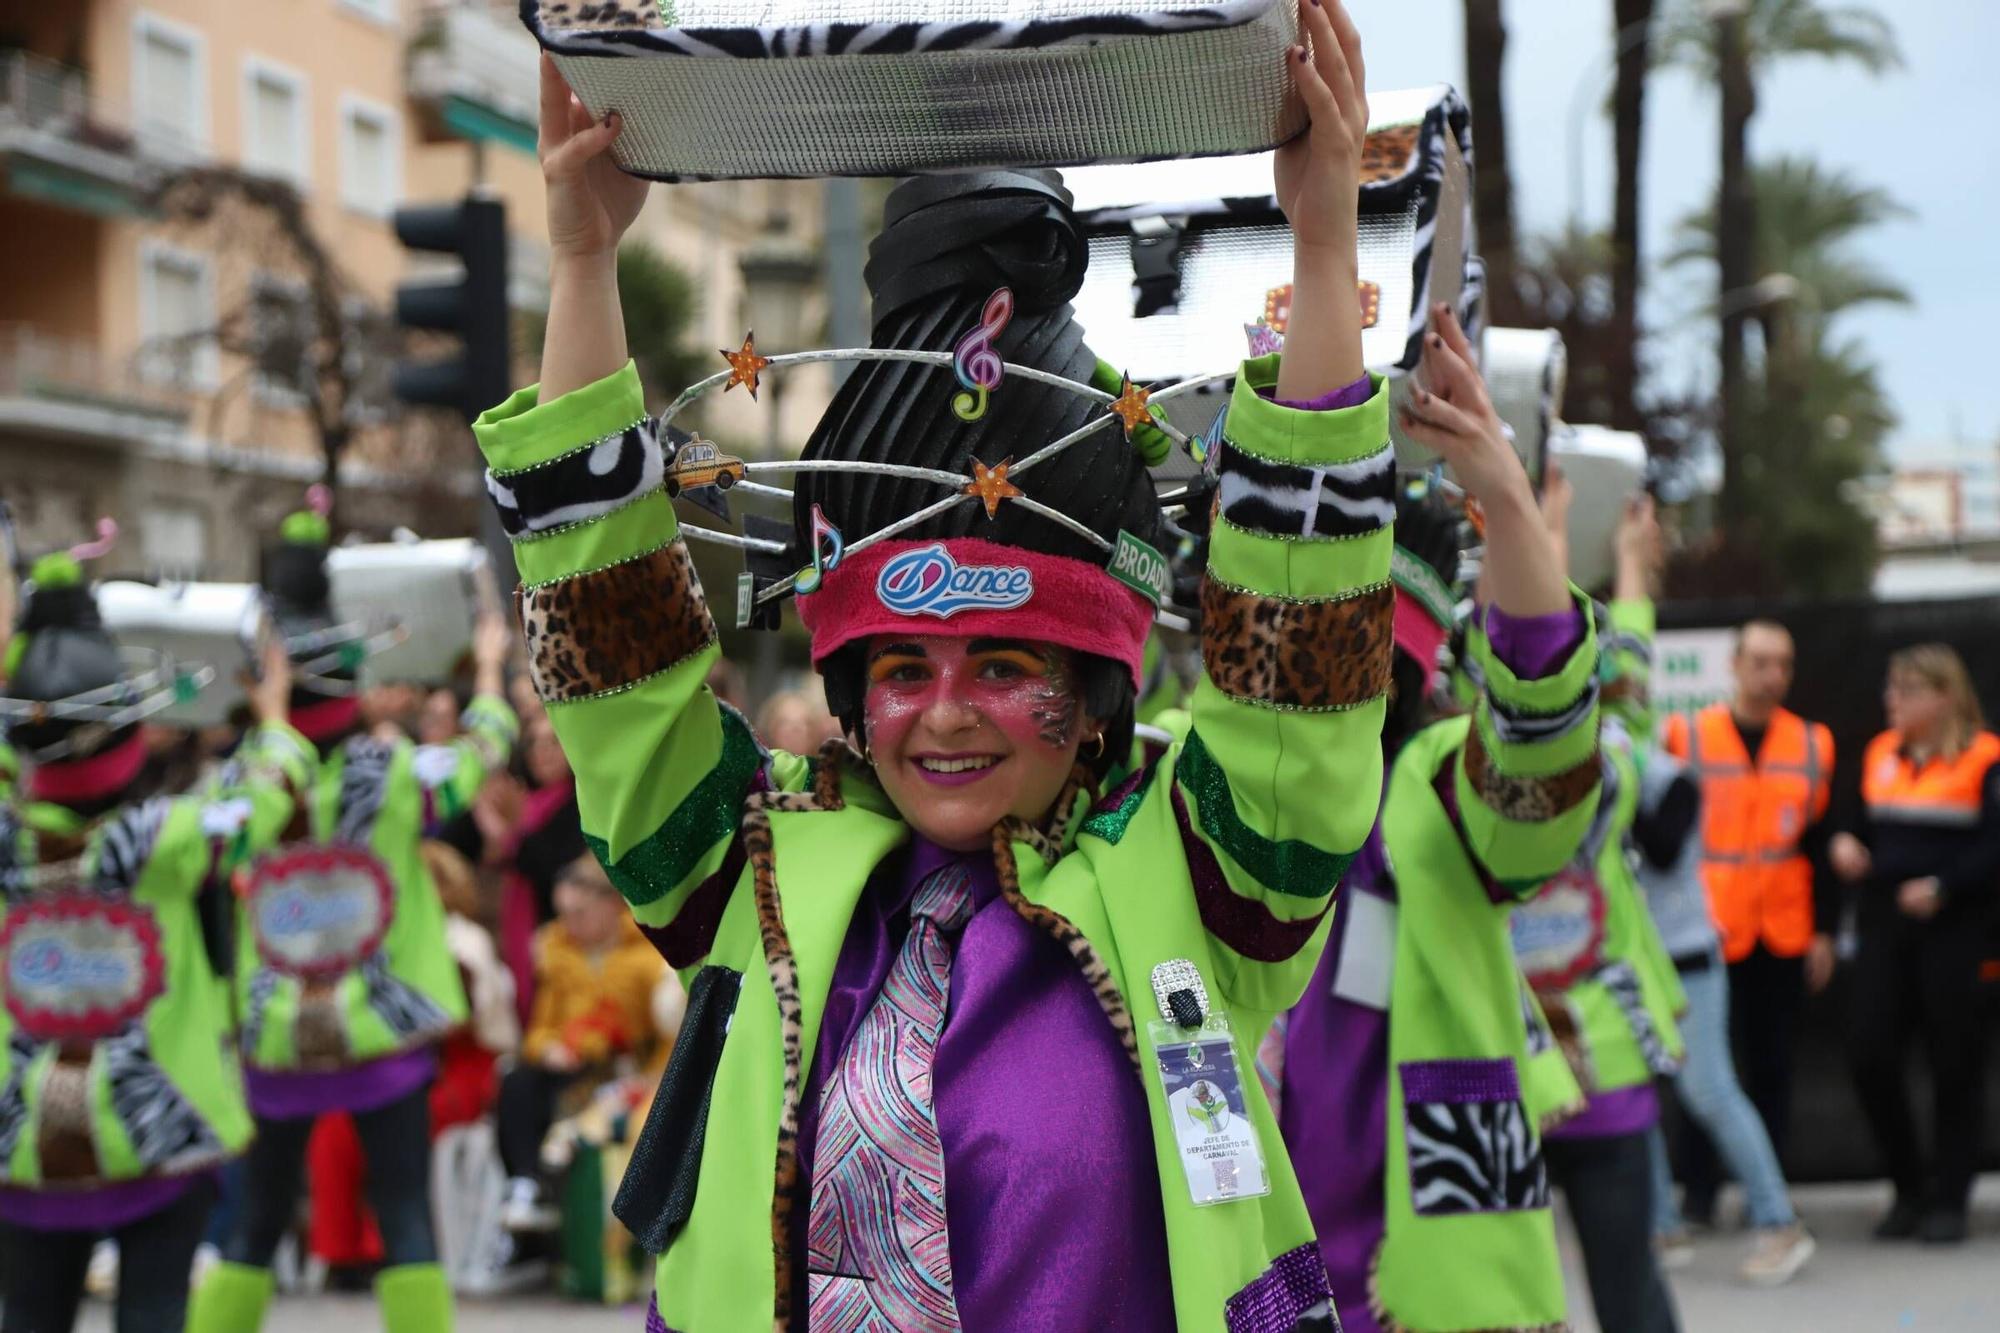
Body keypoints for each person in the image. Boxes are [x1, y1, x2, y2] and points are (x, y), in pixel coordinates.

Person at [480, 9, 1387, 1324]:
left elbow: (1300, 670)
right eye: (902, 668)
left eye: (1008, 663)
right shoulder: (756, 871)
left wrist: (1322, 239)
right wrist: (580, 264)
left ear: (1094, 693)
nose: (947, 714)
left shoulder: (1202, 873)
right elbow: (619, 674)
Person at [1269, 447, 1604, 1329]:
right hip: (1232, 1266)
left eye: (1354, 664)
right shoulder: (1184, 781)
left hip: (1415, 1281)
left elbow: (1540, 745)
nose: (1321, 689)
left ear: (1400, 686)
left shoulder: (1431, 796)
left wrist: (1509, 501)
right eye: (1297, 652)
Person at [187, 504, 518, 1333]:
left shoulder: (243, 787)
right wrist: (485, 671)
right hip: (386, 1037)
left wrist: (266, 724)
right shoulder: (396, 772)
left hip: (276, 1040)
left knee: (255, 1228)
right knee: (406, 1218)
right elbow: (484, 750)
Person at [0, 539, 310, 1333]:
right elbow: (270, 792)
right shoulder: (169, 840)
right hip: (161, 1131)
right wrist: (273, 718)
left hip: (22, 1146)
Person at [1662, 617, 1835, 1224]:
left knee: (1773, 1064)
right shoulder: (1687, 735)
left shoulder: (1814, 744)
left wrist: (1822, 933)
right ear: (1734, 665)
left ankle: (1768, 1193)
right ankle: (1701, 1193)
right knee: (1705, 1069)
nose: (1773, 675)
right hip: (1706, 926)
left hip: (1781, 930)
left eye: (1783, 663)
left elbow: (1818, 845)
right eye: (1761, 661)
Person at [1831, 644, 2000, 1245]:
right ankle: (1908, 1186)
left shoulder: (1986, 759)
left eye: (1906, 691)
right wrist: (1845, 845)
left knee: (1956, 1064)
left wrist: (1945, 887)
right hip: (1884, 924)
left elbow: (1993, 847)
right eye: (1890, 689)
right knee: (1869, 1052)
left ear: (1945, 696)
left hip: (1956, 930)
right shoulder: (1880, 754)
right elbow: (1851, 823)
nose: (1891, 702)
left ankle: (1950, 1199)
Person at [497, 853, 665, 1229]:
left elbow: (664, 1022)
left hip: (628, 1066)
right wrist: (549, 1048)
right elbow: (539, 1029)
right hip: (570, 1064)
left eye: (580, 913)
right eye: (565, 914)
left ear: (610, 905)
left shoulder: (645, 954)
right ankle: (527, 1181)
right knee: (517, 1080)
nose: (570, 924)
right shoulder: (556, 953)